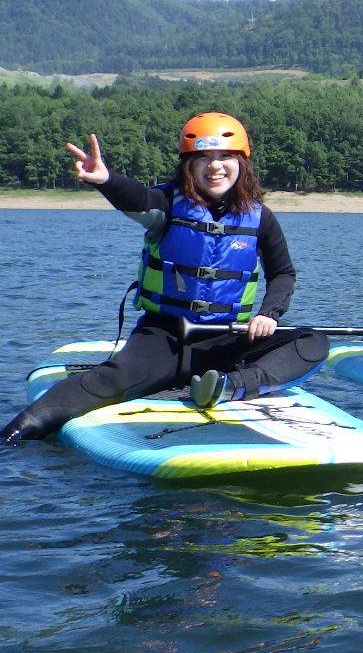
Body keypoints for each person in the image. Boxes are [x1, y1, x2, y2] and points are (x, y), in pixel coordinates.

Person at [2, 114, 328, 444]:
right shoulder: (167, 203)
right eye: (203, 157)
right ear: (188, 164)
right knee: (110, 380)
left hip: (227, 338)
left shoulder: (261, 218)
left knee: (312, 342)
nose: (215, 167)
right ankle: (13, 434)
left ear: (242, 163)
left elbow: (283, 273)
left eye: (225, 157)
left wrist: (267, 313)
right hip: (164, 337)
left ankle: (231, 385)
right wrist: (105, 180)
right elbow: (138, 199)